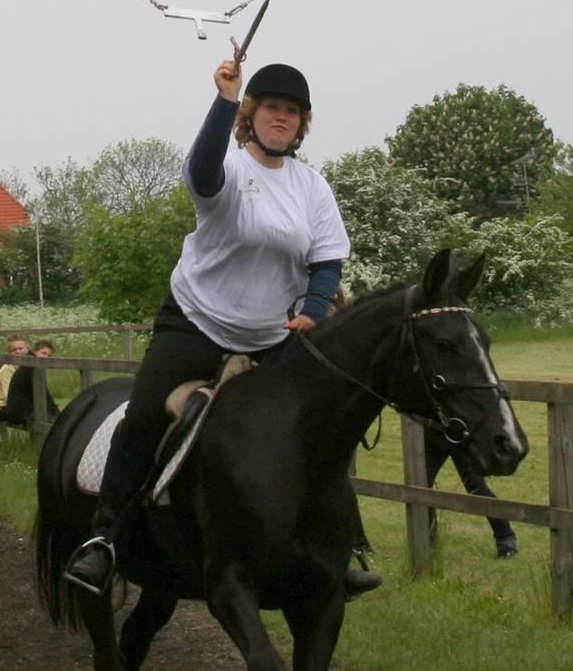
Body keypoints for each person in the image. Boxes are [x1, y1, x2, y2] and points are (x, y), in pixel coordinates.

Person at [65, 57, 382, 598]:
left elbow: (327, 260)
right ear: (252, 115)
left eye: (293, 111)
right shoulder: (230, 168)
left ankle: (338, 545)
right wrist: (224, 98)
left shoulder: (313, 187)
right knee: (143, 417)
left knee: (320, 427)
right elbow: (202, 169)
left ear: (302, 123)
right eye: (272, 108)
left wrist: (315, 304)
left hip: (271, 334)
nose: (282, 118)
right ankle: (104, 542)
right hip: (196, 321)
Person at [424, 426, 518, 558]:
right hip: (432, 434)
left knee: (476, 488)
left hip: (460, 437)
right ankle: (427, 540)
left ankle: (505, 536)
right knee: (421, 487)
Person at [0, 339, 59, 426]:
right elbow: (43, 394)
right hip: (19, 413)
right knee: (52, 423)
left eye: (48, 355)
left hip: (23, 410)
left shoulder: (30, 366)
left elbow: (42, 394)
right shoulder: (29, 367)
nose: (46, 357)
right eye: (43, 353)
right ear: (34, 352)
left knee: (54, 418)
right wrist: (55, 411)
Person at [0, 334, 29, 414]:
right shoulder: (6, 369)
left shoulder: (28, 367)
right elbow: (8, 396)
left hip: (18, 404)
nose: (18, 352)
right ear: (9, 353)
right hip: (1, 407)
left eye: (20, 348)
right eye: (14, 350)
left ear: (27, 350)